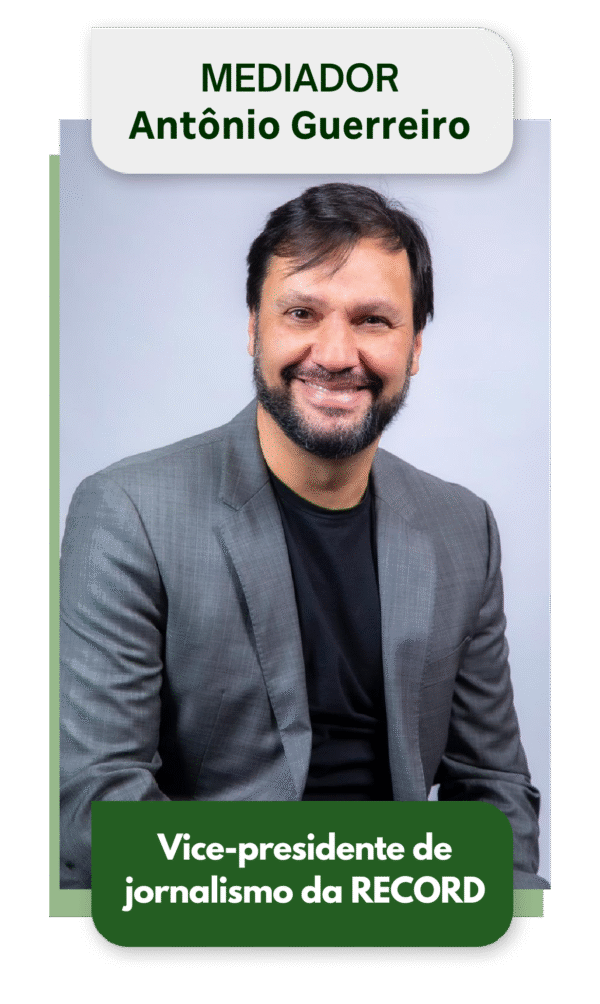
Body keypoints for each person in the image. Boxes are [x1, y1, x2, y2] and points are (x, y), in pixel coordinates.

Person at [60, 183, 546, 890]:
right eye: (301, 313)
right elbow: (97, 812)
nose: (337, 353)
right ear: (254, 331)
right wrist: (350, 891)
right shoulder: (128, 512)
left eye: (374, 320)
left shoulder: (463, 527)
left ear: (414, 347)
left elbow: (496, 793)